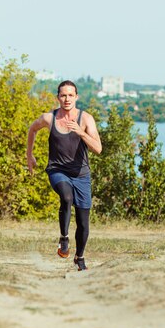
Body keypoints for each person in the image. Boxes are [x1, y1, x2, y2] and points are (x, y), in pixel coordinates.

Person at [26, 80, 102, 271]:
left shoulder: (85, 119)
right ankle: (64, 238)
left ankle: (80, 257)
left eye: (70, 95)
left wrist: (81, 133)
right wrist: (30, 155)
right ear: (58, 97)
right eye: (63, 95)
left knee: (83, 223)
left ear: (76, 97)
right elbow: (32, 129)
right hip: (57, 170)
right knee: (66, 197)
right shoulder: (49, 118)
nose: (66, 99)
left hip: (81, 174)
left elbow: (98, 149)